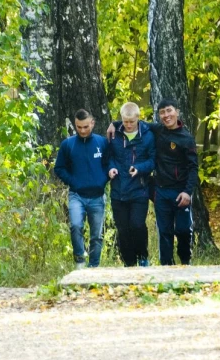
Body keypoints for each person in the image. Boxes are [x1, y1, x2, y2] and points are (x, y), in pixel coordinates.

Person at [108, 99, 198, 266]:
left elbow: (193, 168)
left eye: (169, 111)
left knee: (183, 230)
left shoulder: (186, 138)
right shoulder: (157, 129)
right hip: (161, 189)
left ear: (177, 111)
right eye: (162, 112)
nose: (166, 115)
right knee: (164, 232)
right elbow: (133, 122)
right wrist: (114, 123)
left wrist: (188, 191)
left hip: (181, 191)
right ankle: (166, 266)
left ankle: (186, 262)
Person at [54, 109, 110, 269]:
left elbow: (109, 164)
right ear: (75, 124)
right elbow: (59, 168)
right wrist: (74, 182)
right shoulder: (68, 145)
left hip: (98, 196)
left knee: (96, 235)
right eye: (79, 127)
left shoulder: (101, 142)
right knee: (76, 226)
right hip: (77, 195)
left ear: (92, 123)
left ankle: (94, 267)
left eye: (85, 126)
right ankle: (80, 261)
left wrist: (102, 181)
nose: (82, 130)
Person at [107, 102, 156, 267]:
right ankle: (129, 264)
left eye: (131, 122)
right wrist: (111, 168)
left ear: (138, 119)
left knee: (137, 225)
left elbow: (153, 160)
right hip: (118, 191)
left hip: (139, 190)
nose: (128, 125)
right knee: (123, 229)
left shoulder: (147, 136)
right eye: (125, 121)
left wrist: (140, 168)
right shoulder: (114, 135)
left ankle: (143, 257)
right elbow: (109, 157)